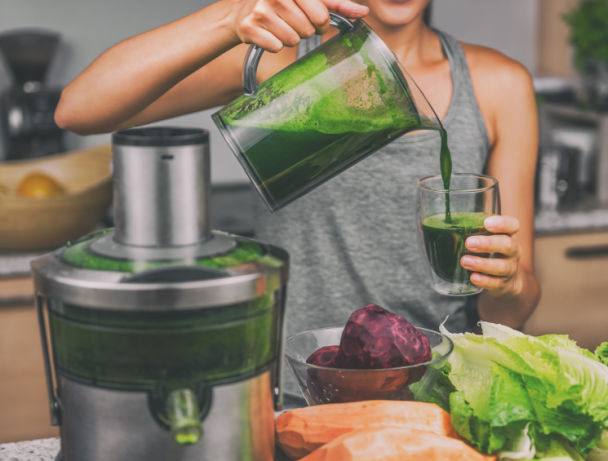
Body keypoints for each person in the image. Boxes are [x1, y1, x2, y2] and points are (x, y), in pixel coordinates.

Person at [54, 0, 540, 336]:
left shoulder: (499, 85)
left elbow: (512, 311)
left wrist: (509, 281)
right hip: (294, 391)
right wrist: (231, 14)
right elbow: (79, 110)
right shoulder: (280, 61)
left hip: (435, 391)